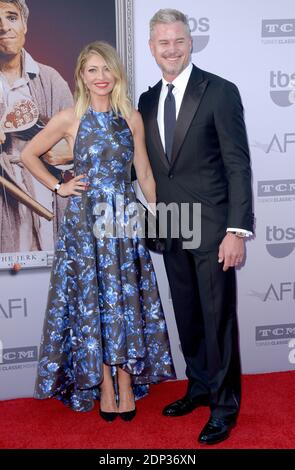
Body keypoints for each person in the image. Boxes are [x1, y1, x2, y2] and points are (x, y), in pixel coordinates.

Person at [21, 40, 175, 421]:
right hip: (85, 225)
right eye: (92, 70)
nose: (101, 77)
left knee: (123, 303)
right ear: (82, 76)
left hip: (122, 221)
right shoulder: (69, 116)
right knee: (93, 303)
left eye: (106, 69)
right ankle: (105, 384)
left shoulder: (131, 117)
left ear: (115, 73)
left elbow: (143, 173)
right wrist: (59, 185)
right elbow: (28, 155)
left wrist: (163, 217)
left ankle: (126, 382)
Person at [138, 9, 253, 444]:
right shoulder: (147, 100)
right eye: (163, 43)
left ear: (191, 43)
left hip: (213, 230)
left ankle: (225, 407)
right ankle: (200, 387)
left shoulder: (220, 92)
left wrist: (236, 231)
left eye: (179, 41)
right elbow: (149, 167)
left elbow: (238, 167)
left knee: (217, 320)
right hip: (170, 226)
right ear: (152, 48)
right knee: (187, 317)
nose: (172, 49)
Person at [0, 0, 73, 254]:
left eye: (11, 17)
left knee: (47, 270)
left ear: (24, 25)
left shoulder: (50, 79)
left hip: (43, 193)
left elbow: (76, 139)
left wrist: (66, 152)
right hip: (3, 195)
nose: (3, 27)